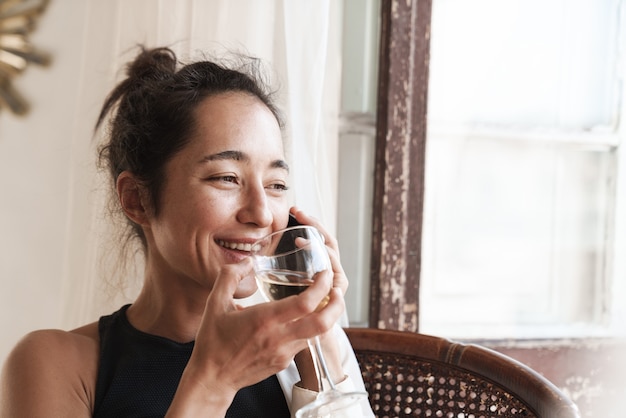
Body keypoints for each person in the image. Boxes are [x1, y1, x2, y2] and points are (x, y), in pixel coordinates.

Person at [0, 46, 374, 417]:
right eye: (226, 178)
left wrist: (317, 344)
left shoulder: (301, 349)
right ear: (137, 200)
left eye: (276, 184)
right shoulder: (57, 363)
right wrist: (212, 384)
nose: (262, 213)